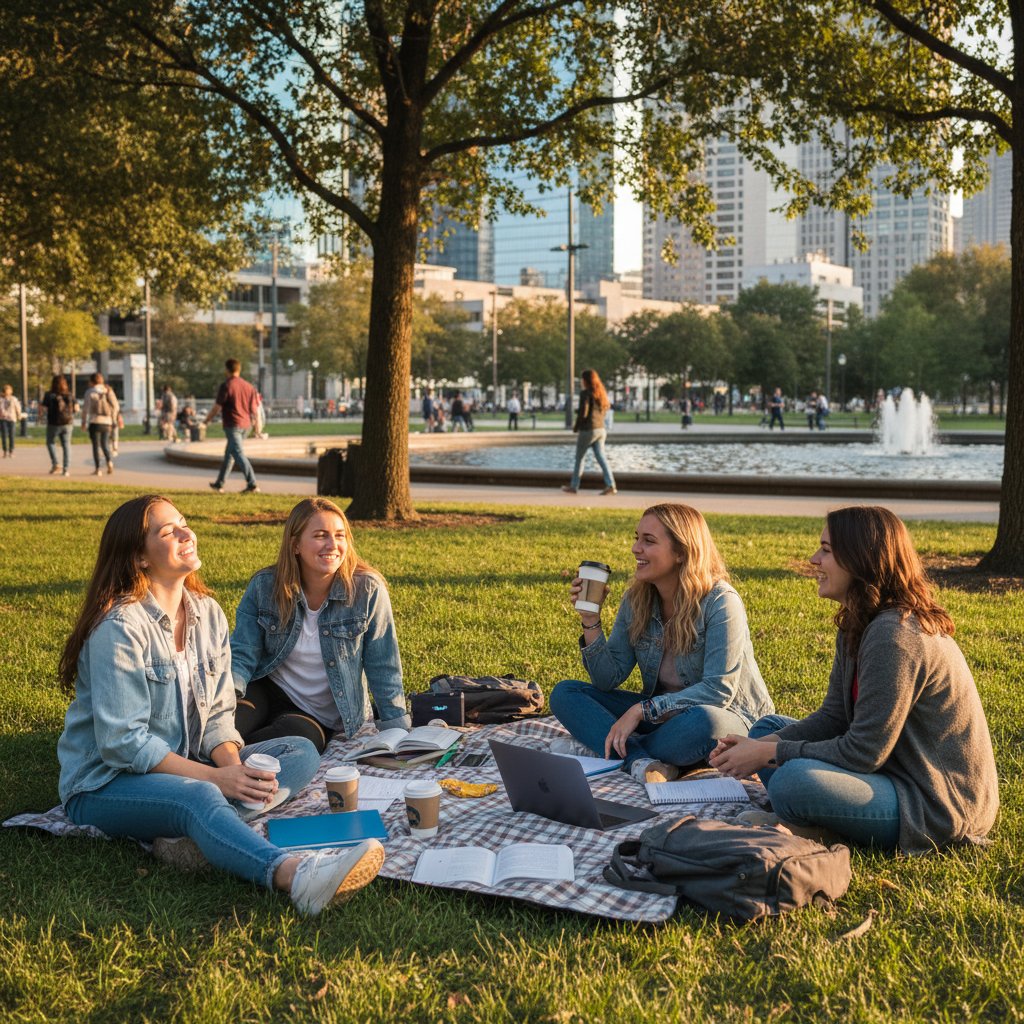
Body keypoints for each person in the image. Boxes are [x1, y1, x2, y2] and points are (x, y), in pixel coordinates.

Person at [56, 495, 383, 914]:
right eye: (167, 531)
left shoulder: (207, 613)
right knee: (199, 796)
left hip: (183, 765)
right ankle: (296, 876)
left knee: (297, 753)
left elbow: (215, 716)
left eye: (184, 522)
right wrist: (214, 781)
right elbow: (124, 744)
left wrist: (231, 766)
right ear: (139, 556)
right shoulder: (119, 629)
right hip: (103, 784)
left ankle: (190, 837)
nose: (186, 533)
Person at [709, 506, 999, 854]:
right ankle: (819, 822)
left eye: (826, 550)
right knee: (764, 728)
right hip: (892, 771)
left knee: (790, 780)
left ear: (861, 559)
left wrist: (770, 753)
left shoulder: (895, 635)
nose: (814, 559)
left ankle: (819, 829)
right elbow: (834, 718)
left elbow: (864, 752)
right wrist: (758, 746)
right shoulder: (858, 622)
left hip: (934, 801)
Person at [549, 503, 775, 783]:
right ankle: (640, 760)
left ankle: (605, 748)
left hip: (728, 717)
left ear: (681, 552)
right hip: (663, 722)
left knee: (705, 723)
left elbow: (719, 691)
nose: (635, 549)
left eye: (648, 541)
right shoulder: (637, 599)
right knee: (566, 693)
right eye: (636, 538)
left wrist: (641, 711)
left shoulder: (721, 602)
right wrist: (590, 619)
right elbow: (608, 678)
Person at [231, 497, 410, 754]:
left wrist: (397, 731)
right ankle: (202, 769)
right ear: (295, 545)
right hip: (264, 691)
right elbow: (242, 652)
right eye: (320, 535)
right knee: (224, 731)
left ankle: (220, 771)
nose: (333, 545)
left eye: (339, 535)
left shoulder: (367, 590)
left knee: (298, 745)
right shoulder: (265, 586)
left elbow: (384, 665)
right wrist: (226, 700)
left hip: (317, 716)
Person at [205, 359, 260, 494]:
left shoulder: (226, 386)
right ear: (239, 369)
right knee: (230, 454)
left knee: (238, 453)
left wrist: (206, 420)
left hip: (233, 424)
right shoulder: (249, 386)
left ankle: (252, 484)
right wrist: (257, 427)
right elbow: (254, 410)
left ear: (227, 370)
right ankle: (219, 484)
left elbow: (217, 407)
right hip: (246, 425)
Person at [561, 368, 617, 495]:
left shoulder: (585, 394)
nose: (581, 382)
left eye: (582, 379)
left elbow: (584, 413)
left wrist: (576, 427)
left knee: (579, 458)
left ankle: (574, 486)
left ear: (586, 380)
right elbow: (600, 411)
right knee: (602, 458)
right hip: (601, 430)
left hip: (588, 430)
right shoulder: (601, 393)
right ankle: (611, 485)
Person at [81, 372, 120, 475]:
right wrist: (113, 418)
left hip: (94, 421)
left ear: (92, 381)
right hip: (107, 422)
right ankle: (109, 462)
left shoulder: (89, 392)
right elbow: (116, 406)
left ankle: (98, 469)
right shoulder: (108, 390)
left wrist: (84, 422)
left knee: (95, 446)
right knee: (105, 444)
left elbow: (85, 409)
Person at [40, 374, 75, 475]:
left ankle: (55, 463)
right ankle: (66, 469)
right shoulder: (69, 394)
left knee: (50, 442)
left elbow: (43, 408)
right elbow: (76, 408)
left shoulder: (49, 394)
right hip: (67, 423)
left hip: (53, 423)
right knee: (66, 445)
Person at [0, 384, 23, 458]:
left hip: (12, 419)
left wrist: (19, 415)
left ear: (11, 391)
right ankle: (5, 451)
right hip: (3, 419)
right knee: (4, 436)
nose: (7, 391)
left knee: (12, 436)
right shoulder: (1, 399)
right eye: (6, 390)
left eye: (9, 390)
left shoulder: (14, 399)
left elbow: (18, 407)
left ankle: (11, 451)